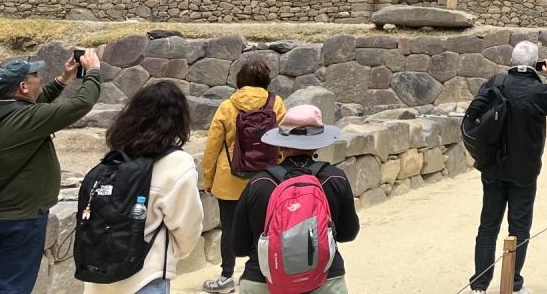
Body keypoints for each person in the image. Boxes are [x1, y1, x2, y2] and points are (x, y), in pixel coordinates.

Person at [79, 81, 203, 294]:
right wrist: (171, 254)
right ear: (179, 120)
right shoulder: (177, 163)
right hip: (146, 276)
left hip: (98, 276)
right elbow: (188, 227)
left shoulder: (113, 160)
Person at [0, 49, 103, 289]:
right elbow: (81, 103)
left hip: (3, 212)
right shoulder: (28, 119)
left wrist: (64, 79)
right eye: (35, 75)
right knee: (12, 287)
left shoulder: (2, 111)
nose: (40, 77)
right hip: (20, 221)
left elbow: (34, 107)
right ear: (23, 86)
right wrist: (93, 72)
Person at [468, 41, 547, 292]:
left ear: (512, 62)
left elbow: (474, 112)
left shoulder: (496, 83)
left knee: (489, 225)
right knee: (519, 226)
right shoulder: (538, 91)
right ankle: (512, 282)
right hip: (524, 169)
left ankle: (480, 285)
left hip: (493, 166)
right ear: (535, 63)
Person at [231, 105, 359, 294]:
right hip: (325, 279)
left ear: (280, 144)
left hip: (263, 280)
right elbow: (348, 233)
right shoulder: (335, 179)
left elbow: (239, 247)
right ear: (318, 143)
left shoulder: (259, 183)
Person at [200, 58, 286, 294]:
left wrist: (208, 179)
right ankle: (262, 275)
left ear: (240, 80)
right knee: (265, 228)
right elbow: (284, 142)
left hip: (230, 179)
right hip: (266, 179)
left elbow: (212, 148)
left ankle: (227, 276)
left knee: (229, 228)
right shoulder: (276, 103)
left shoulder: (228, 106)